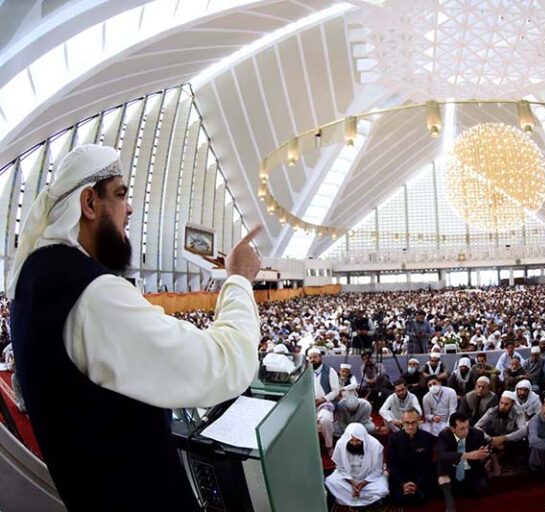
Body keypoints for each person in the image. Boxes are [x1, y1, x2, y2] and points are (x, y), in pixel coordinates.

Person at [8, 145, 262, 511]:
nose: (129, 209)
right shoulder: (92, 295)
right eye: (121, 194)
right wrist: (238, 280)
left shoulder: (34, 278)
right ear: (89, 204)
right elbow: (224, 365)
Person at [325, 423, 389, 507]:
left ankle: (355, 498)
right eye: (351, 440)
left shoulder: (375, 445)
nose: (354, 444)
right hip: (348, 478)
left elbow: (377, 470)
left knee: (382, 488)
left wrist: (363, 483)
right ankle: (368, 500)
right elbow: (340, 467)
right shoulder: (341, 444)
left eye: (358, 440)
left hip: (369, 479)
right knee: (330, 481)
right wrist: (352, 482)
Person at [436, 412, 490, 512]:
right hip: (452, 471)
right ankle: (450, 504)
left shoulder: (477, 434)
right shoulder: (444, 435)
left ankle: (457, 490)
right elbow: (441, 455)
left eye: (467, 427)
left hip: (470, 471)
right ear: (452, 429)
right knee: (441, 463)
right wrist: (468, 455)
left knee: (481, 488)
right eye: (462, 428)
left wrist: (484, 453)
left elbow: (485, 451)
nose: (466, 431)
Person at [387, 408, 436, 506]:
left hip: (420, 478)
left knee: (422, 498)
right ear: (402, 422)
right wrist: (403, 484)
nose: (410, 426)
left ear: (419, 421)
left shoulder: (428, 438)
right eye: (406, 423)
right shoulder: (393, 439)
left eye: (413, 422)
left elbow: (428, 465)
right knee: (399, 499)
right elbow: (392, 465)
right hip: (401, 478)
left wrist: (417, 484)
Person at [475, 390, 528, 476]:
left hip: (508, 440)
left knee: (522, 440)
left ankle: (503, 462)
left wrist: (504, 438)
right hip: (493, 439)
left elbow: (524, 430)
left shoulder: (518, 413)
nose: (503, 406)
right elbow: (476, 426)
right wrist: (490, 439)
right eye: (501, 403)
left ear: (513, 404)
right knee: (479, 434)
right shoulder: (493, 411)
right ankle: (494, 459)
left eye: (506, 404)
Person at [309, 348, 340, 456]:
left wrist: (323, 399)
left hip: (324, 404)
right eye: (310, 358)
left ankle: (329, 446)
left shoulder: (330, 371)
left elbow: (336, 391)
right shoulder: (306, 372)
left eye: (315, 357)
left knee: (326, 420)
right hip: (308, 404)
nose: (312, 360)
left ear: (320, 358)